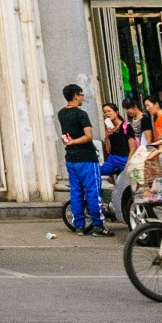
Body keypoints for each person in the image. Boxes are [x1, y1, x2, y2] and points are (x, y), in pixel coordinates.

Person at [57, 83, 107, 235]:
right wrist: (74, 141)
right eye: (81, 95)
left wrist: (70, 143)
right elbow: (88, 136)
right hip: (86, 157)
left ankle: (79, 225)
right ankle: (98, 225)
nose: (82, 98)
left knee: (76, 191)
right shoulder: (81, 114)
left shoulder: (61, 113)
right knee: (93, 191)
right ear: (75, 96)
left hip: (71, 158)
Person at [101, 101, 132, 182]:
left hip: (124, 160)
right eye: (105, 112)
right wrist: (107, 137)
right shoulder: (109, 129)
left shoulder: (126, 126)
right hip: (113, 160)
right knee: (97, 171)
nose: (107, 113)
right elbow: (108, 150)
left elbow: (133, 148)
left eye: (109, 111)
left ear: (116, 112)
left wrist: (128, 164)